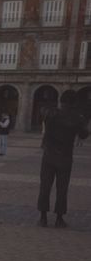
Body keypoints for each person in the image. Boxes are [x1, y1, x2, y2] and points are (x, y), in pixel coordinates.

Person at [37, 96, 89, 228]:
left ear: (62, 101)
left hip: (49, 156)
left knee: (45, 187)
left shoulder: (51, 113)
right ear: (73, 103)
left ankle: (43, 218)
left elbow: (43, 112)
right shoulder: (77, 118)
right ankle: (59, 219)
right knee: (62, 189)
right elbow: (83, 135)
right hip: (65, 157)